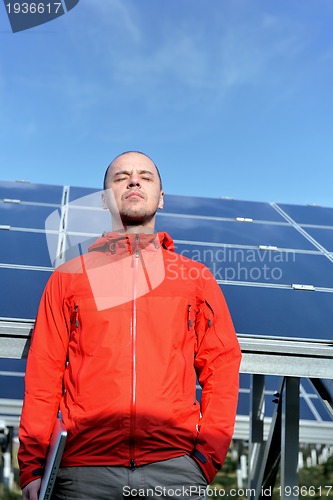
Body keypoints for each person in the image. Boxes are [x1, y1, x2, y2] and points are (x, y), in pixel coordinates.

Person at [18, 151, 242, 500]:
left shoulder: (195, 279)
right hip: (82, 475)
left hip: (175, 469)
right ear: (105, 200)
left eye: (145, 176)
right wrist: (32, 466)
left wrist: (205, 458)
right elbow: (43, 374)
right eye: (121, 177)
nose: (134, 181)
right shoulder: (68, 279)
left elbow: (223, 366)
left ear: (161, 198)